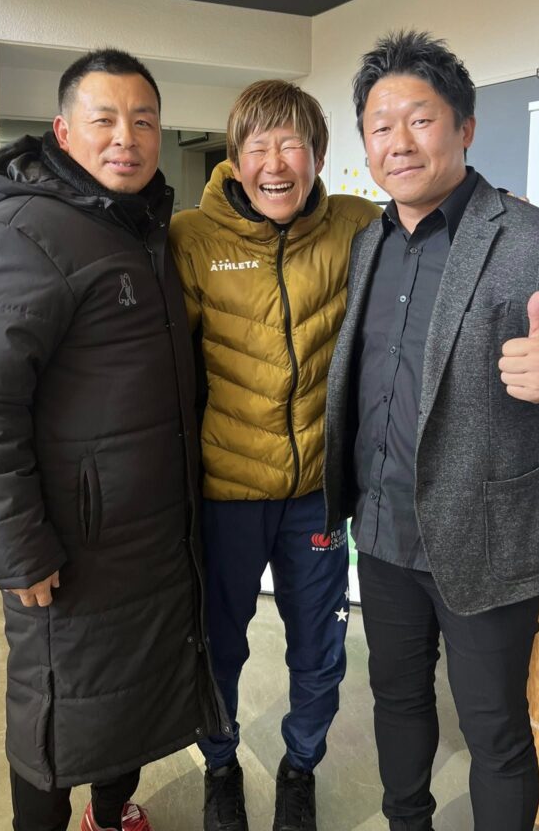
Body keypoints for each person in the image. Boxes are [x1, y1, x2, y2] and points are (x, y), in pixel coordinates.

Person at [323, 30, 539, 831]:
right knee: (395, 699)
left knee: (494, 732)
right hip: (382, 532)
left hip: (487, 539)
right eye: (380, 126)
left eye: (420, 119)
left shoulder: (535, 241)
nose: (398, 142)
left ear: (465, 127)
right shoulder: (369, 244)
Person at [0, 49, 227, 831]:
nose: (126, 138)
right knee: (55, 710)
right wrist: (19, 549)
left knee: (127, 698)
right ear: (63, 133)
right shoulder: (23, 234)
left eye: (143, 121)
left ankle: (110, 812)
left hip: (148, 537)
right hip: (68, 547)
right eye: (105, 120)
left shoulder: (141, 229)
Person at [170, 80, 379, 831]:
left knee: (319, 647)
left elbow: (433, 248)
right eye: (258, 146)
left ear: (318, 155)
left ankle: (300, 767)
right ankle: (220, 766)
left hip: (316, 492)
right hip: (226, 490)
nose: (276, 162)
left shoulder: (358, 226)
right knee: (218, 645)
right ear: (234, 159)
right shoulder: (191, 237)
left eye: (292, 144)